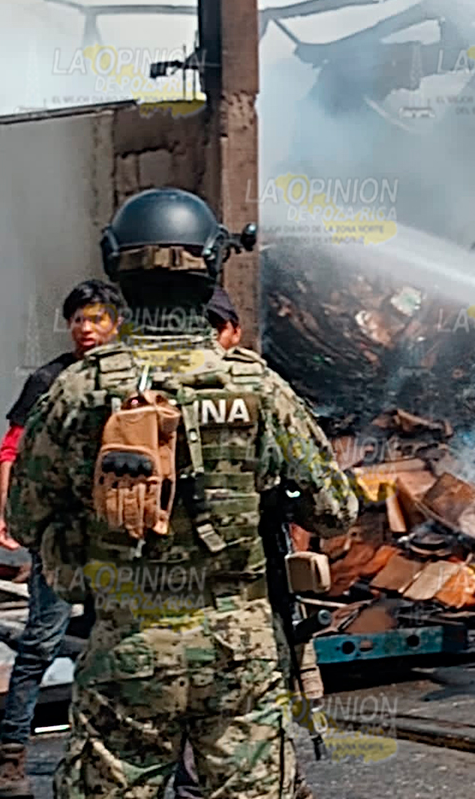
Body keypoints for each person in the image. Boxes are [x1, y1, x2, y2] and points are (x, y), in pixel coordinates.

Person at [5, 187, 358, 799]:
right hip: (240, 653)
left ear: (116, 264)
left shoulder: (77, 389)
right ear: (214, 263)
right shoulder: (259, 387)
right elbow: (334, 510)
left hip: (126, 648)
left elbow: (24, 518)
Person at [172, 286, 316, 799]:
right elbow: (334, 505)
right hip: (245, 609)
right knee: (252, 731)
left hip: (151, 611)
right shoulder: (261, 388)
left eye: (213, 325)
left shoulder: (123, 387)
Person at [0, 280, 122, 799]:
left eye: (97, 319)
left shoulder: (132, 378)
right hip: (58, 536)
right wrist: (8, 516)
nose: (87, 329)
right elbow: (11, 450)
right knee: (41, 642)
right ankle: (12, 755)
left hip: (117, 537)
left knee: (118, 643)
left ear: (117, 323)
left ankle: (109, 752)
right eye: (78, 320)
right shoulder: (50, 379)